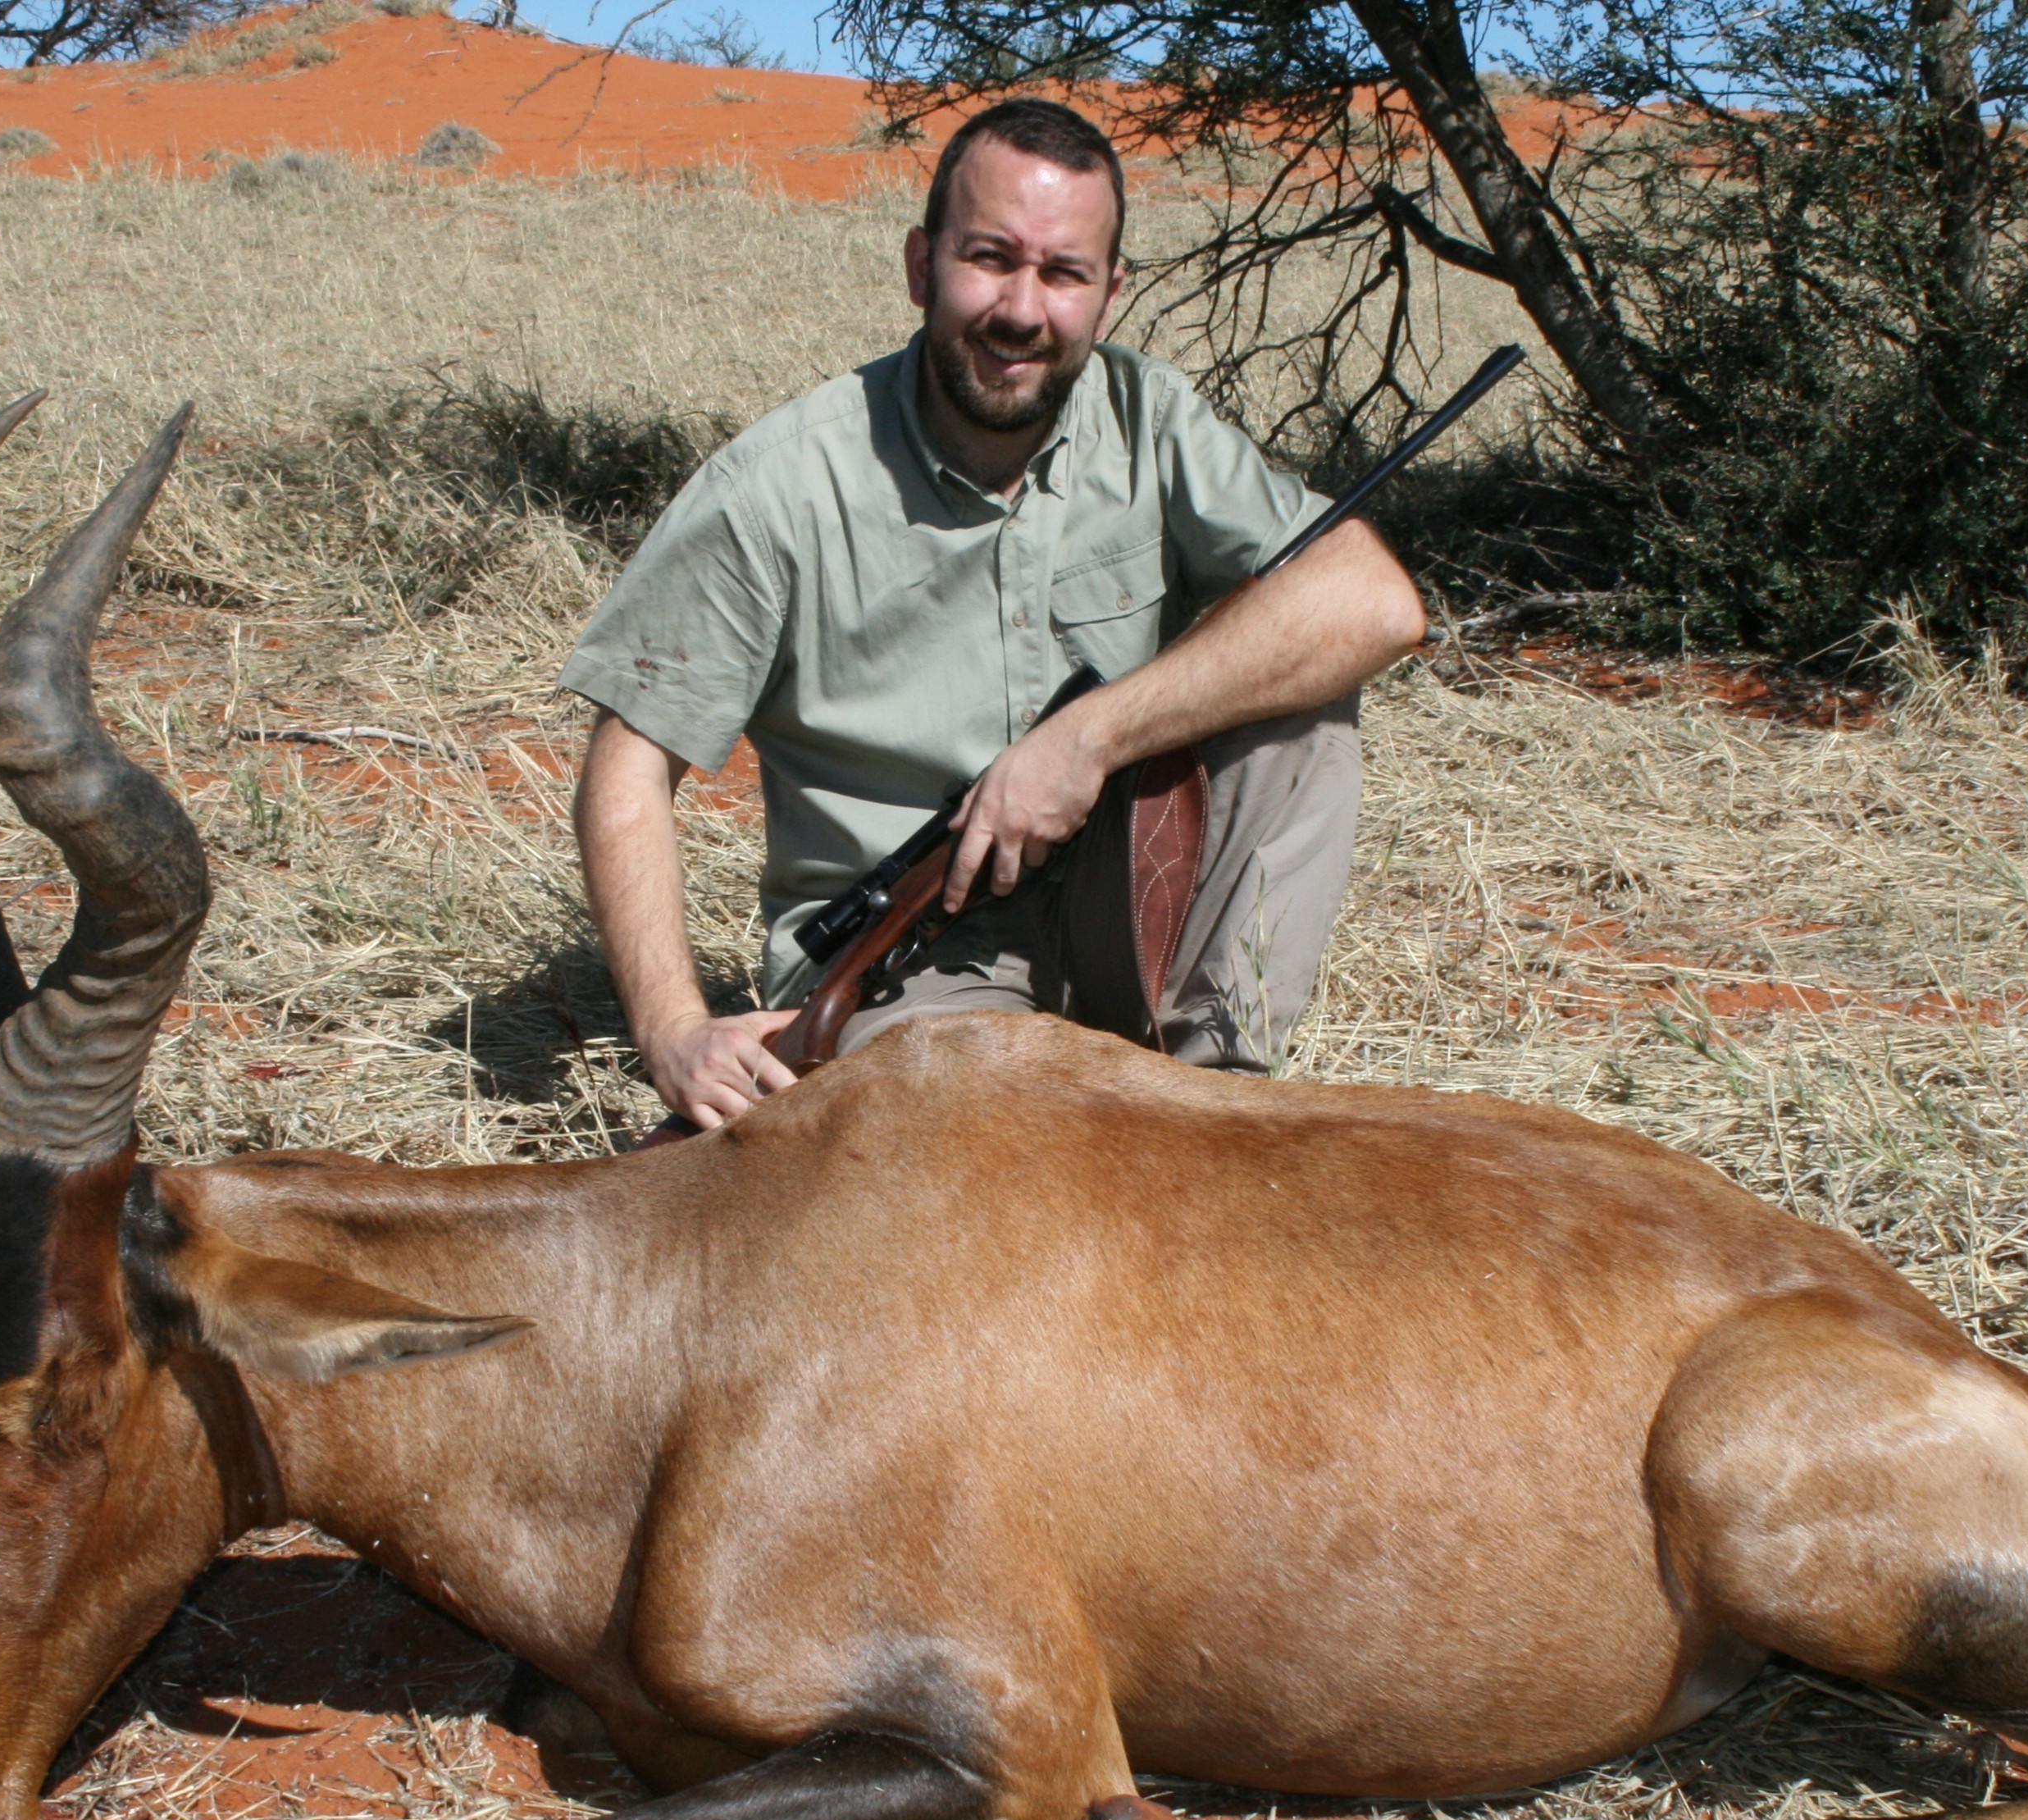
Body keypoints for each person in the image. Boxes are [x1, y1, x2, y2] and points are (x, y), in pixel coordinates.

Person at [563, 96, 1431, 1132]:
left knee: (1301, 712)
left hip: (1118, 903)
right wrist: (671, 1029)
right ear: (921, 265)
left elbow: (1373, 603)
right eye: (990, 259)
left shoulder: (1148, 417)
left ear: (1110, 294)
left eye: (1063, 274)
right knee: (963, 1162)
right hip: (906, 964)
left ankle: (1214, 1112)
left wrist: (1086, 738)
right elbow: (628, 763)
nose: (1023, 309)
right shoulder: (779, 486)